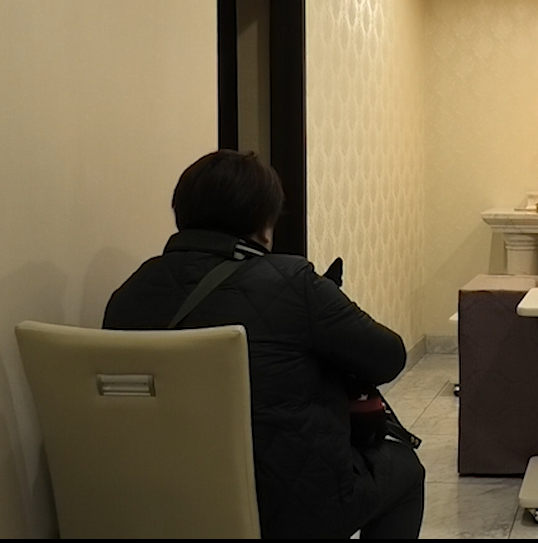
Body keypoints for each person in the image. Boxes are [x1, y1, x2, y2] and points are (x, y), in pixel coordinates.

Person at [103, 150, 424, 539]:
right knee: (405, 470)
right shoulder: (293, 282)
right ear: (264, 225)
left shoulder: (129, 293)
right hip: (286, 510)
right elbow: (389, 357)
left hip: (162, 500)